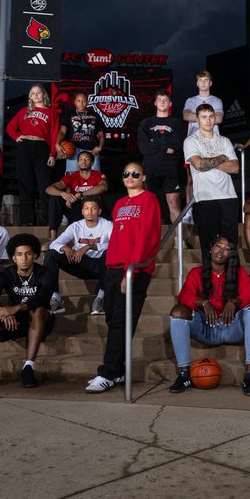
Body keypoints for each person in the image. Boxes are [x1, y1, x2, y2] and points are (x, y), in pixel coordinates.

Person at [85, 162, 162, 393]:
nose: (130, 176)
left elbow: (146, 236)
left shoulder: (149, 199)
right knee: (112, 319)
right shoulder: (119, 204)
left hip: (134, 269)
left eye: (135, 173)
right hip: (113, 267)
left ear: (143, 176)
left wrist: (132, 270)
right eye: (126, 173)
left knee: (121, 321)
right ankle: (117, 371)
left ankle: (108, 373)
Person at [167, 237, 250, 396]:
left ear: (231, 254)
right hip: (206, 327)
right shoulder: (196, 272)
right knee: (178, 312)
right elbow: (184, 297)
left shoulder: (238, 273)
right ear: (211, 248)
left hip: (232, 327)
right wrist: (203, 302)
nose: (221, 251)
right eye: (218, 246)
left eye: (226, 249)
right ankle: (184, 374)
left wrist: (234, 302)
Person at [0, 234, 56, 389]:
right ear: (13, 257)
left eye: (28, 254)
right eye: (19, 254)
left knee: (38, 310)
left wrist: (15, 308)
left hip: (37, 321)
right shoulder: (6, 273)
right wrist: (1, 312)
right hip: (12, 322)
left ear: (35, 255)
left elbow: (43, 298)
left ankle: (28, 367)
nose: (24, 258)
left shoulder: (45, 273)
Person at [184, 103, 240, 257]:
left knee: (231, 247)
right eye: (203, 117)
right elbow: (199, 165)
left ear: (215, 118)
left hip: (228, 197)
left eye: (210, 117)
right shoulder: (190, 141)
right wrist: (222, 158)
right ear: (197, 119)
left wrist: (209, 161)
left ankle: (232, 280)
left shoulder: (225, 141)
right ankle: (210, 280)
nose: (208, 120)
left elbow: (235, 168)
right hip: (204, 199)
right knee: (208, 247)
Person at [44, 197, 112, 316]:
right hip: (80, 263)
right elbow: (55, 243)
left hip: (100, 265)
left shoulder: (107, 225)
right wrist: (65, 248)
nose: (89, 212)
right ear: (82, 212)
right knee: (51, 254)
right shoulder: (76, 226)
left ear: (99, 211)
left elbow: (115, 244)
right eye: (86, 208)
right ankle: (55, 297)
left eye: (93, 208)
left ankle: (101, 298)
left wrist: (89, 246)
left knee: (109, 253)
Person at [7, 83, 60, 226]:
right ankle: (28, 221)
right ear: (30, 97)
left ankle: (47, 219)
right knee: (25, 185)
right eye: (33, 93)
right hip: (24, 147)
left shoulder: (51, 113)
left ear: (44, 95)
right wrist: (17, 136)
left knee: (45, 185)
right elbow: (10, 127)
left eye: (38, 92)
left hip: (42, 147)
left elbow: (54, 134)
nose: (36, 95)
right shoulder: (24, 111)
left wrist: (52, 154)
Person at [181, 71, 225, 221]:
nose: (204, 83)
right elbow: (186, 115)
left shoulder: (216, 100)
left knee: (214, 177)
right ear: (197, 83)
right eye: (201, 80)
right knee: (191, 180)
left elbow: (219, 118)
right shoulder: (191, 100)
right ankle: (188, 213)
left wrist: (198, 117)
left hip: (212, 144)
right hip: (193, 143)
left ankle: (214, 211)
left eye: (206, 80)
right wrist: (207, 118)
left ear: (210, 83)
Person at [137, 90, 186, 224]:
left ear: (170, 103)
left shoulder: (177, 123)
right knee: (148, 208)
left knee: (174, 206)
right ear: (155, 103)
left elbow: (178, 145)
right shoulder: (146, 123)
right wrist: (166, 147)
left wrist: (155, 142)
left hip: (170, 170)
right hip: (149, 170)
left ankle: (178, 241)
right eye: (160, 99)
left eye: (165, 100)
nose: (163, 102)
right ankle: (148, 240)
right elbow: (144, 148)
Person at [44, 151, 108, 240]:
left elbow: (103, 187)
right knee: (54, 198)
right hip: (75, 209)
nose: (83, 162)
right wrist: (64, 194)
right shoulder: (72, 176)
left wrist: (82, 194)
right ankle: (53, 239)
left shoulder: (98, 175)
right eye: (81, 159)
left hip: (92, 211)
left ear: (92, 163)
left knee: (95, 198)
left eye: (87, 159)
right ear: (78, 163)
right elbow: (49, 189)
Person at [58, 92, 105, 172]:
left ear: (87, 102)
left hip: (92, 150)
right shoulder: (69, 115)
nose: (81, 103)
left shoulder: (95, 115)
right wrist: (57, 144)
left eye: (84, 100)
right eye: (78, 100)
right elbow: (62, 131)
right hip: (74, 149)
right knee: (72, 177)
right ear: (75, 102)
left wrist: (100, 147)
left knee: (95, 177)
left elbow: (101, 134)